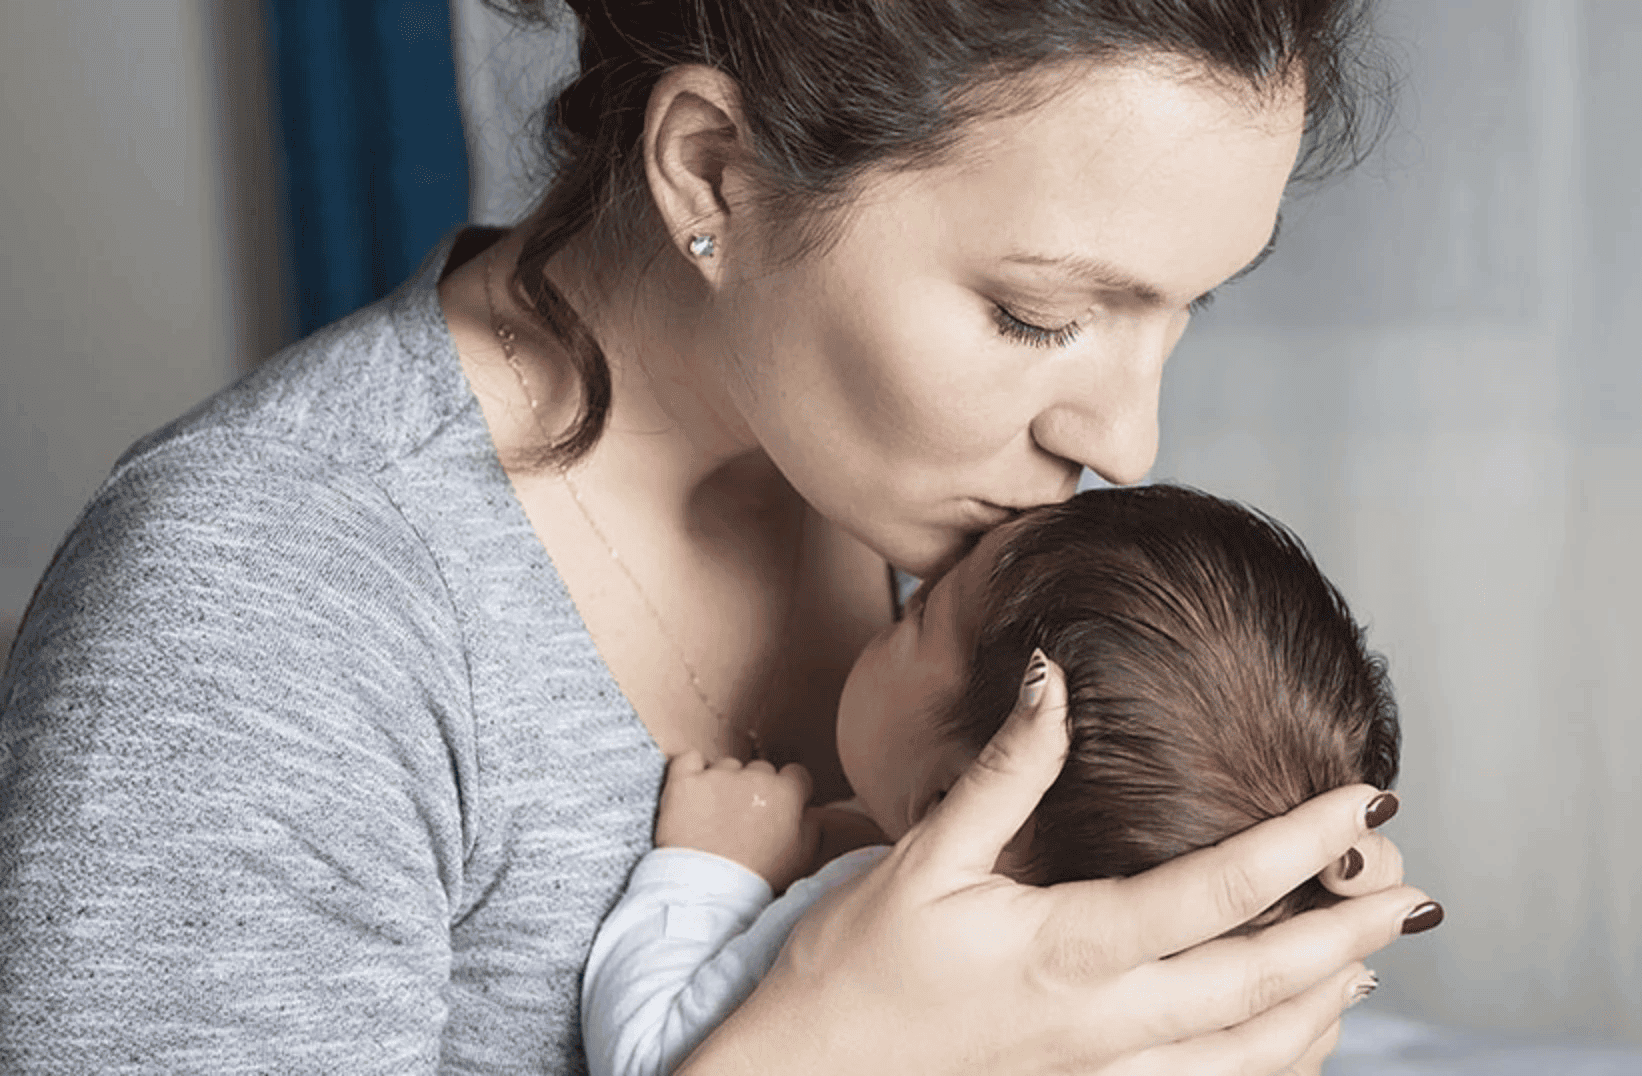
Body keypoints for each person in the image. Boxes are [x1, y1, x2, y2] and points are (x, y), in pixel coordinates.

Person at [0, 1, 1440, 1072]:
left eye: (1189, 306)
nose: (1127, 444)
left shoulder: (956, 533)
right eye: (1037, 316)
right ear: (712, 172)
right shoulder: (270, 610)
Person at [581, 484, 1420, 1076]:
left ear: (957, 804)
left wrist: (711, 870)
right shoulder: (1172, 1014)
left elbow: (653, 1052)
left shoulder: (873, 933)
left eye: (920, 614)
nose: (906, 589)